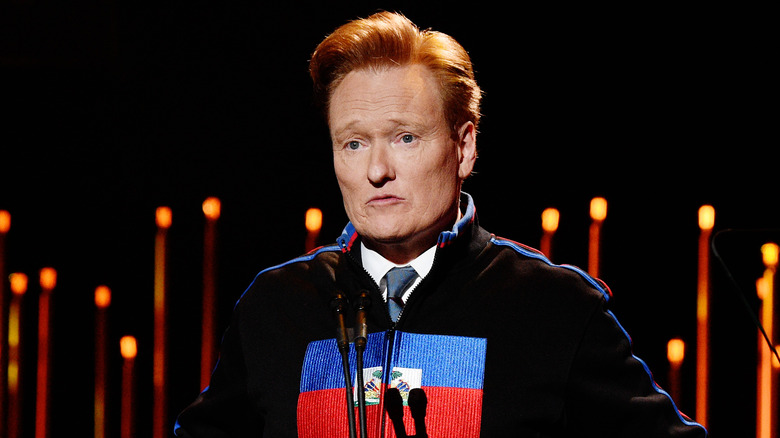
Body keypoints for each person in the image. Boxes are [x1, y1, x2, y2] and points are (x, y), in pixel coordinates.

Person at [175, 11, 707, 437]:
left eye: (405, 137)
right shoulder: (276, 307)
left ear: (464, 146)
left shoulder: (555, 308)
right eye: (353, 143)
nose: (377, 170)